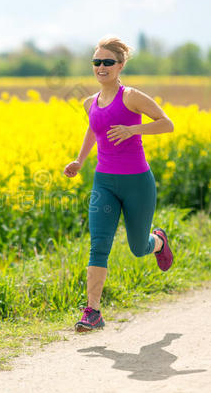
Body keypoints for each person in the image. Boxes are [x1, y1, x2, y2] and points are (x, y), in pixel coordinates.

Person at [63, 35, 175, 332]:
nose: (101, 67)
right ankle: (93, 312)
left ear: (120, 65)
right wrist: (79, 161)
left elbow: (167, 123)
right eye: (96, 62)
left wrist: (133, 129)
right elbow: (93, 131)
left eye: (107, 62)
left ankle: (159, 241)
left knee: (139, 248)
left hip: (137, 182)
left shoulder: (132, 97)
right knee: (99, 245)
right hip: (104, 184)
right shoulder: (90, 103)